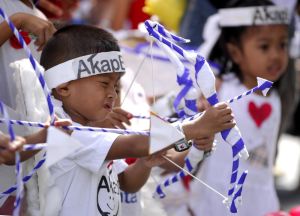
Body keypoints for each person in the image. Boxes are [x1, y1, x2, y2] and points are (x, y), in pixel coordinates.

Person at [40, 24, 235, 215]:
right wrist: (196, 127)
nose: (112, 95)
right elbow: (135, 145)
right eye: (104, 84)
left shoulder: (94, 132)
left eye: (116, 86)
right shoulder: (65, 131)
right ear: (64, 87)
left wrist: (144, 164)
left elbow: (127, 183)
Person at [188, 0, 297, 215]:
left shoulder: (274, 97)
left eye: (282, 45)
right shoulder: (221, 90)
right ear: (236, 53)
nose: (275, 55)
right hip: (218, 190)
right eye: (264, 46)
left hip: (258, 193)